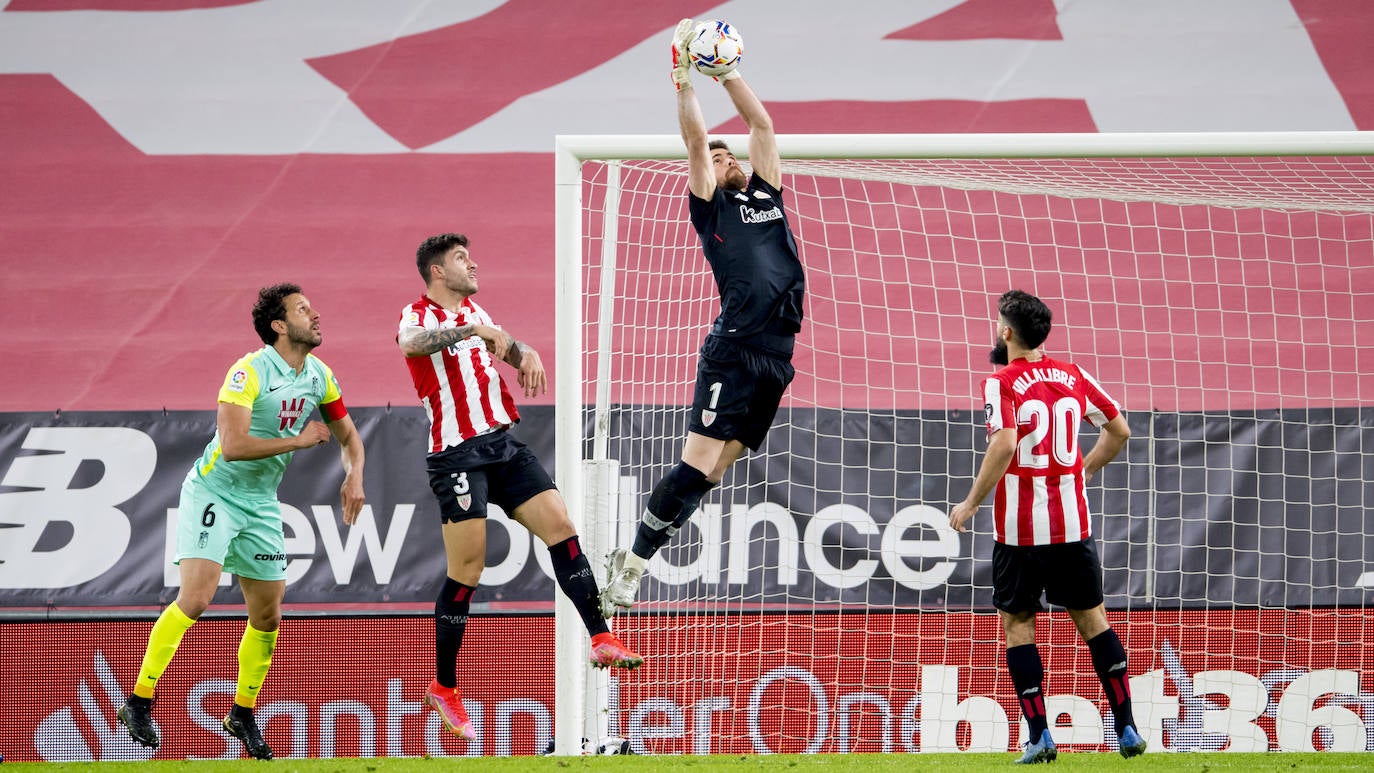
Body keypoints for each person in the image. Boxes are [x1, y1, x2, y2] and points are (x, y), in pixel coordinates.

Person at [398, 232, 643, 741]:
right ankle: (444, 687)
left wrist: (526, 352)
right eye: (462, 259)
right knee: (468, 569)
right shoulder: (420, 314)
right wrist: (470, 328)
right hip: (456, 452)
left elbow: (507, 346)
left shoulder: (476, 311)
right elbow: (410, 345)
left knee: (562, 527)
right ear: (437, 272)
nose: (474, 263)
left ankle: (601, 637)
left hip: (503, 445)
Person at [600, 18, 805, 618]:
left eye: (729, 153)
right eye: (716, 157)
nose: (725, 157)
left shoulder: (767, 196)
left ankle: (638, 553)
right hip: (734, 348)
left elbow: (761, 125)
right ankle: (634, 563)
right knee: (698, 461)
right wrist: (684, 81)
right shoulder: (711, 212)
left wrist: (731, 75)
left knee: (715, 471)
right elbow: (694, 144)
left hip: (778, 356)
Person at [118, 283, 366, 760]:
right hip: (214, 490)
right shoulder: (248, 371)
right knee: (196, 598)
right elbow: (232, 445)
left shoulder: (319, 376)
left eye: (312, 308)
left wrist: (354, 476)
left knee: (269, 614)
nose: (315, 316)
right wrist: (296, 442)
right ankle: (139, 700)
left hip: (261, 502)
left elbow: (349, 436)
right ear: (279, 325)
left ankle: (242, 714)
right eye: (302, 310)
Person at [949, 290, 1146, 764]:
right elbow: (1120, 430)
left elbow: (1003, 445)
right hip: (1072, 526)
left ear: (1006, 332)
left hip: (1018, 533)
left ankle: (1039, 736)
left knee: (1018, 625)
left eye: (998, 322)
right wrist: (1087, 469)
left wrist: (972, 502)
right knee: (1094, 622)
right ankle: (1126, 728)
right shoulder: (1073, 375)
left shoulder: (1001, 383)